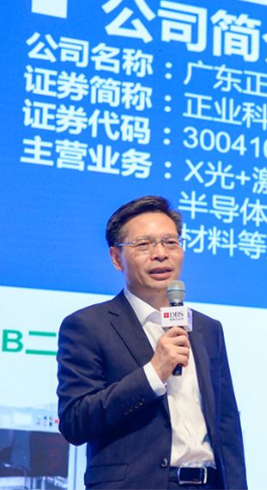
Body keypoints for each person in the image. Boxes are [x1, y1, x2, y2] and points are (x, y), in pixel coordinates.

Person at [56, 195, 248, 490]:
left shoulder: (208, 329)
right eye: (144, 245)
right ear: (116, 258)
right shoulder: (88, 326)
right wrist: (153, 373)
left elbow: (227, 426)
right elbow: (75, 422)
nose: (160, 254)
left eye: (170, 242)